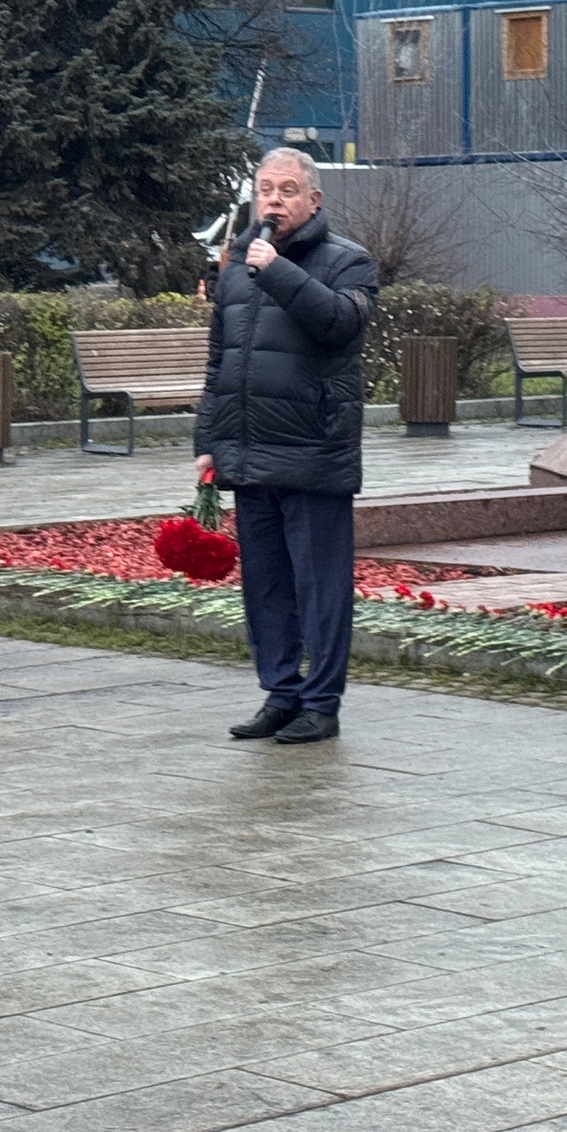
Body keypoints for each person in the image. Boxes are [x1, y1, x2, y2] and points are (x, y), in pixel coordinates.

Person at [194, 147, 378, 746]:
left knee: (320, 586)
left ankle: (321, 703)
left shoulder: (348, 262)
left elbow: (338, 325)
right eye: (265, 188)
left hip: (312, 449)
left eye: (288, 189)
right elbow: (220, 360)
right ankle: (281, 693)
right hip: (249, 449)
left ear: (314, 200)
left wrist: (276, 270)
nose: (273, 199)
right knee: (266, 584)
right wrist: (208, 441)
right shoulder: (234, 269)